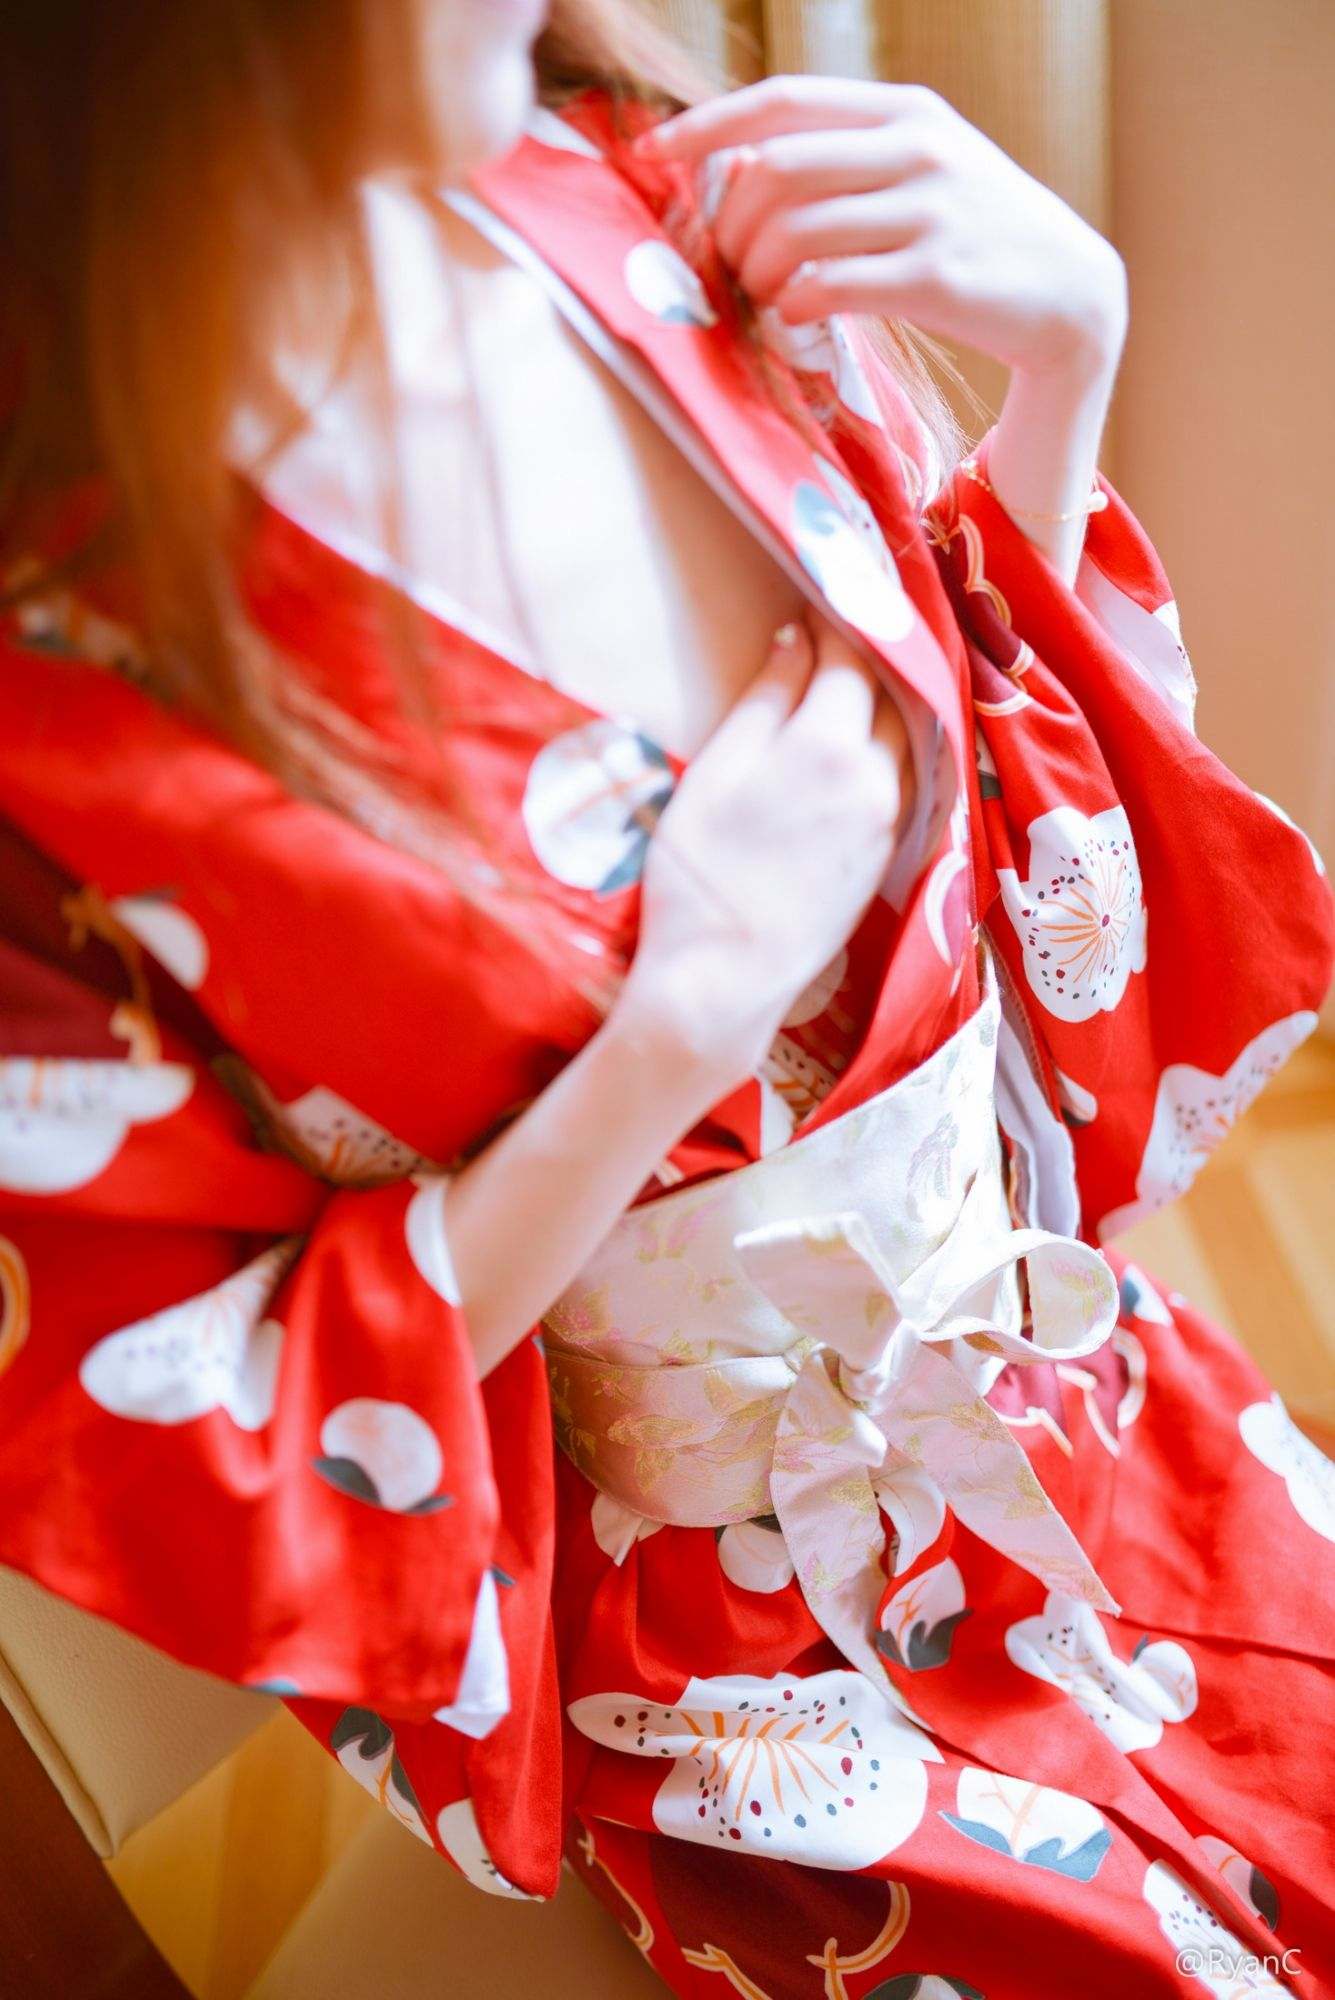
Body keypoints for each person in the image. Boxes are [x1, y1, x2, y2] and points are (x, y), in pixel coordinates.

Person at [1, 4, 1331, 1995]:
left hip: (1085, 1398)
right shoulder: (52, 710)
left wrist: (1064, 367)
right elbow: (205, 1423)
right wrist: (667, 1041)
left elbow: (996, 885)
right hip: (733, 1690)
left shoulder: (641, 194)